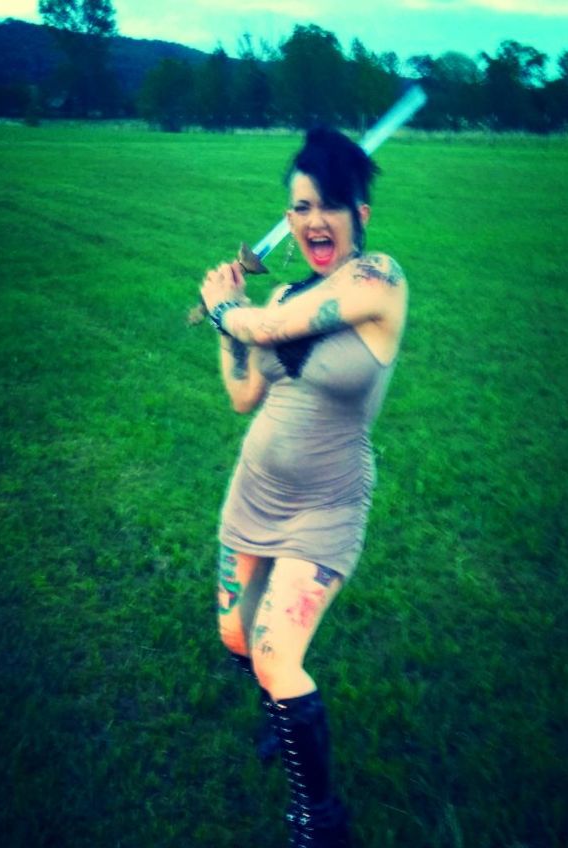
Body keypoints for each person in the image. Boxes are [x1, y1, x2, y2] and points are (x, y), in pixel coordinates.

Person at [198, 127, 408, 848]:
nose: (315, 220)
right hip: (254, 494)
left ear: (359, 215)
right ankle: (280, 721)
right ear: (288, 219)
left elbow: (274, 325)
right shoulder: (282, 292)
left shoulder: (378, 279)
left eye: (330, 205)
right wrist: (230, 321)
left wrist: (226, 308)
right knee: (235, 634)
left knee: (274, 650)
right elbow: (243, 395)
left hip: (327, 503)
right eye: (301, 207)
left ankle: (320, 821)